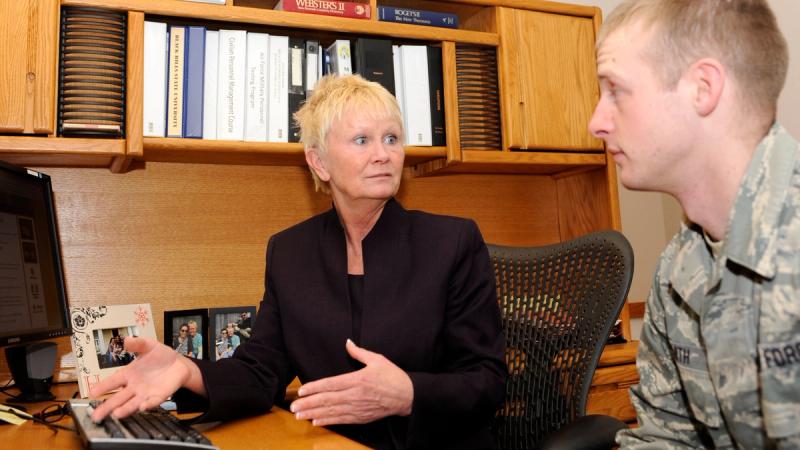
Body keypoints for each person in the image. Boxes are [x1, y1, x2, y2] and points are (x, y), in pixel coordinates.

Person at [89, 74, 507, 449]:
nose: (383, 154)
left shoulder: (453, 241)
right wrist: (186, 370)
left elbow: (487, 382)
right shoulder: (290, 252)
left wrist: (408, 394)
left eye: (392, 138)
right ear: (319, 161)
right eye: (362, 140)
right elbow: (260, 372)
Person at [588, 0, 799, 447]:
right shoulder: (681, 265)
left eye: (616, 91)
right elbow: (667, 435)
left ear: (703, 88)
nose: (596, 122)